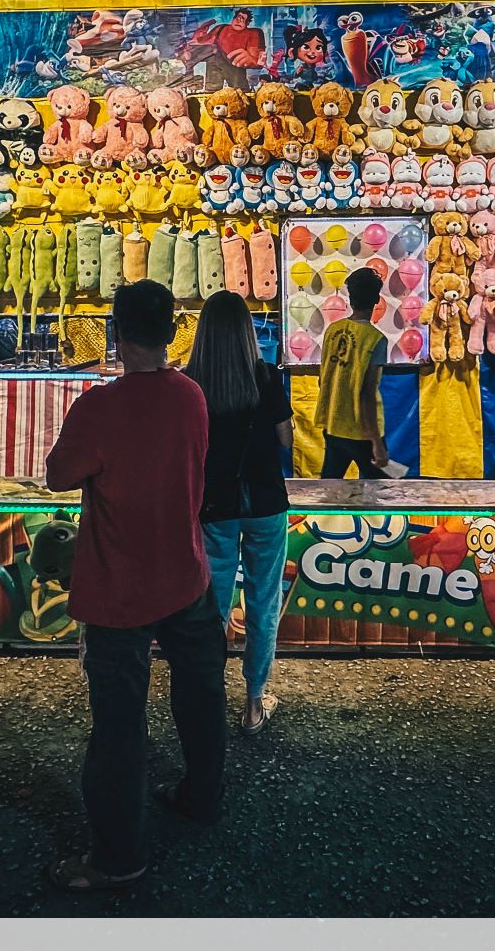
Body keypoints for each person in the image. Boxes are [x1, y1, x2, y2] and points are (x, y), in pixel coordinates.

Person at [43, 280, 226, 892]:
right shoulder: (191, 396)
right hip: (188, 574)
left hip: (120, 587)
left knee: (119, 725)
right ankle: (202, 796)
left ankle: (118, 858)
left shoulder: (98, 407)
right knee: (201, 696)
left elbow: (58, 476)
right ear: (172, 333)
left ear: (116, 333)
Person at [184, 290, 293, 735]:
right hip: (265, 502)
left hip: (214, 506)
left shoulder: (191, 383)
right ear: (249, 333)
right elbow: (285, 440)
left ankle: (207, 695)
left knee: (212, 604)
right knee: (263, 603)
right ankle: (253, 703)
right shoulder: (266, 377)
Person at [312, 263, 388, 479]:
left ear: (350, 298)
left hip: (333, 424)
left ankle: (319, 515)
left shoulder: (332, 331)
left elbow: (323, 378)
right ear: (376, 300)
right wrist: (376, 442)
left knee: (330, 484)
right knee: (383, 490)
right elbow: (367, 393)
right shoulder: (376, 339)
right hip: (362, 431)